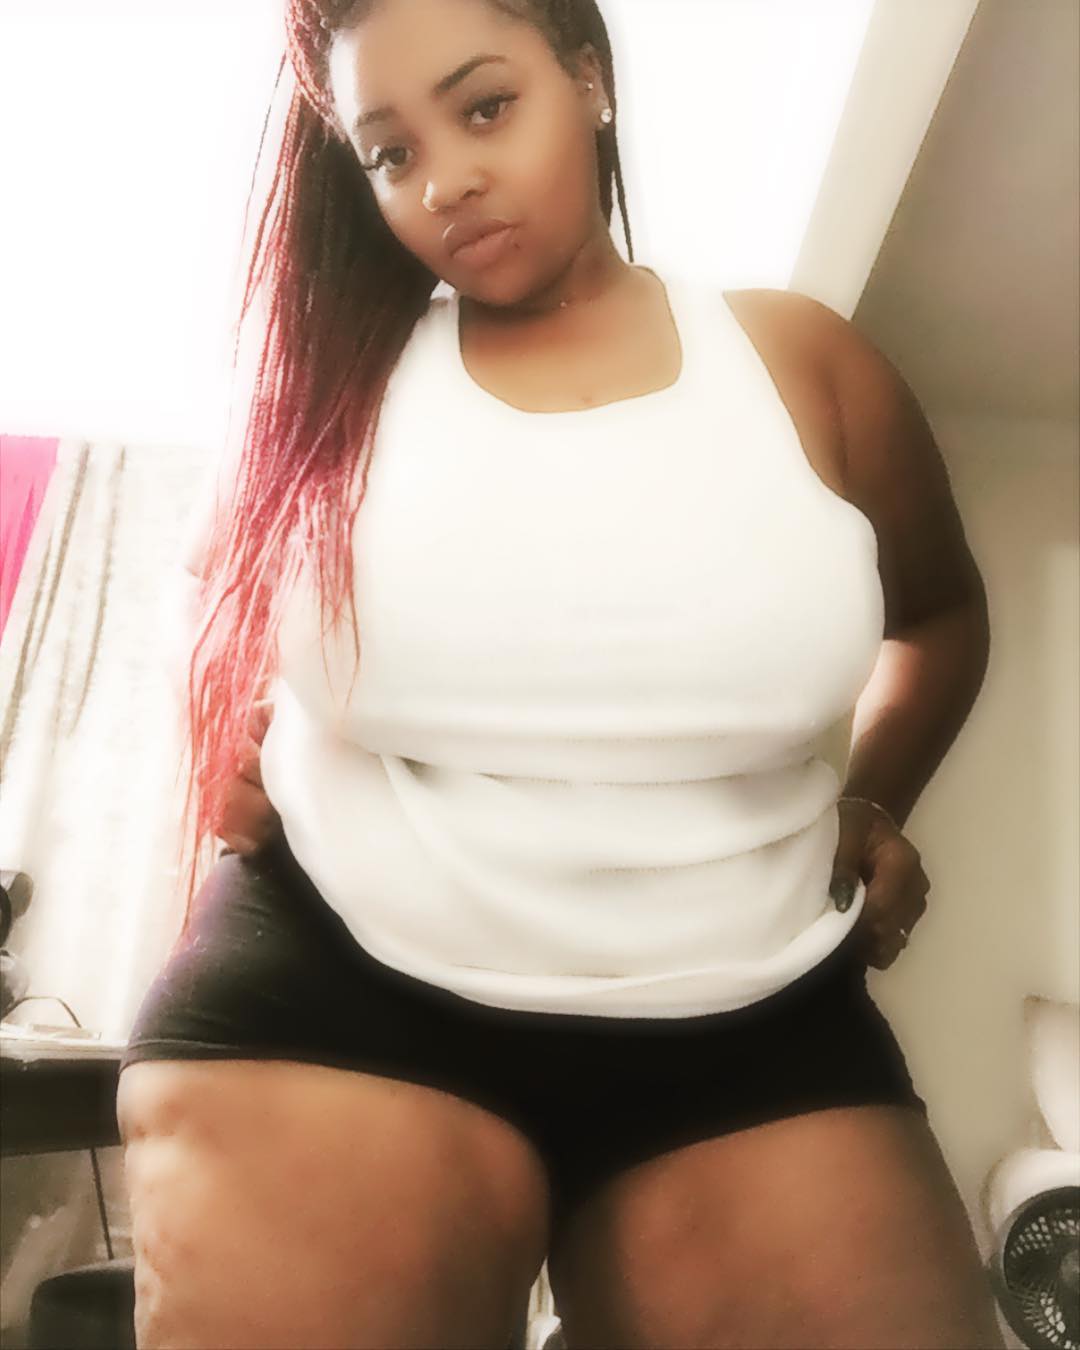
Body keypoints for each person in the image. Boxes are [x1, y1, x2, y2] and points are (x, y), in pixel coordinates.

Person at [116, 1, 1007, 1347]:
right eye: (390, 151)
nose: (444, 181)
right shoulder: (330, 386)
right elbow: (210, 587)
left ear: (588, 78)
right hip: (342, 987)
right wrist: (224, 733)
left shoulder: (803, 364)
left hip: (752, 1013)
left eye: (485, 107)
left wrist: (876, 795)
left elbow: (938, 613)